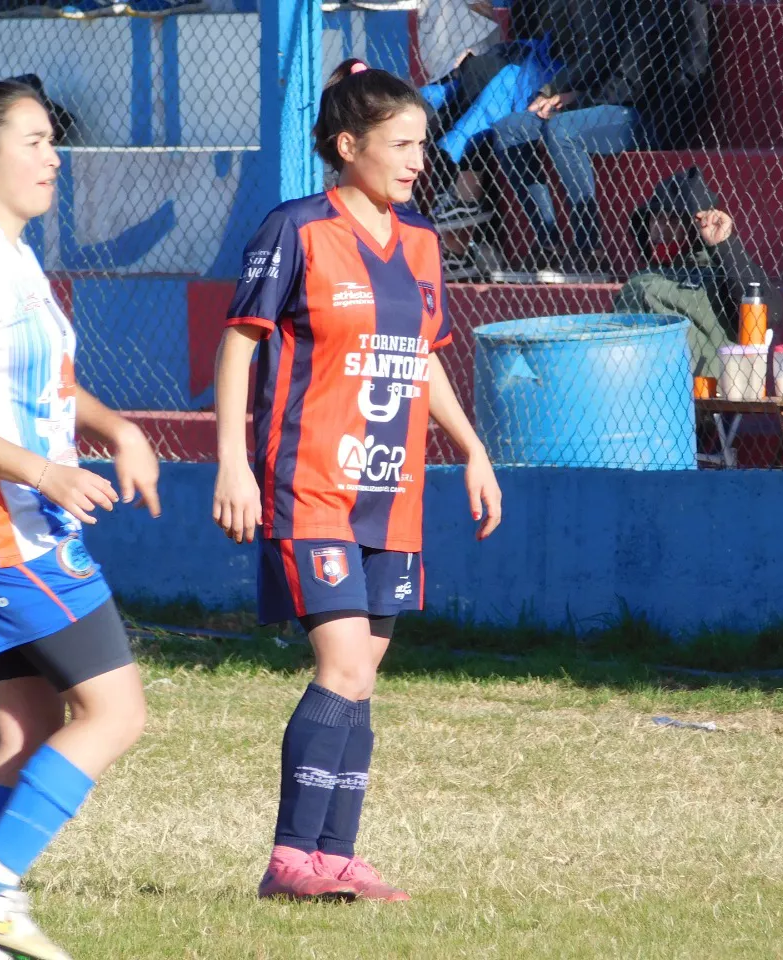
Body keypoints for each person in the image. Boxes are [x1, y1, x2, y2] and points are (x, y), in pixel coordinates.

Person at [211, 59, 502, 902]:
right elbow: (240, 344)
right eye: (401, 143)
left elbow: (422, 361)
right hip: (311, 484)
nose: (418, 159)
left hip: (394, 489)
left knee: (363, 676)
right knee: (340, 664)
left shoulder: (421, 242)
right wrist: (233, 461)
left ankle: (336, 857)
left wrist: (471, 448)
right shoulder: (296, 229)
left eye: (422, 142)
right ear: (349, 146)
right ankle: (288, 858)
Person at [0, 80, 161, 960]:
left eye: (55, 141)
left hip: (4, 530)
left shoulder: (6, 256)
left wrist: (116, 427)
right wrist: (49, 472)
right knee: (115, 712)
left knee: (23, 731)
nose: (54, 158)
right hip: (1, 536)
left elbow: (36, 384)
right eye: (37, 141)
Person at [491, 0, 710, 281]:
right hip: (601, 101)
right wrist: (555, 90)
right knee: (508, 130)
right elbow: (599, 55)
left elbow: (630, 80)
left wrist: (574, 101)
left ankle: (589, 250)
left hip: (645, 115)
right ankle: (547, 242)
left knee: (562, 130)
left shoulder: (667, 8)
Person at [418, 0, 558, 281]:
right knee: (456, 84)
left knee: (483, 80)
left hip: (546, 71)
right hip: (520, 56)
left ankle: (463, 214)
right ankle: (461, 230)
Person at [615, 166, 783, 377]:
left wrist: (724, 245)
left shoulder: (722, 272)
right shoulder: (641, 278)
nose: (660, 228)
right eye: (654, 218)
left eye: (673, 219)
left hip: (702, 390)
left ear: (695, 224)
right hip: (633, 382)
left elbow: (772, 312)